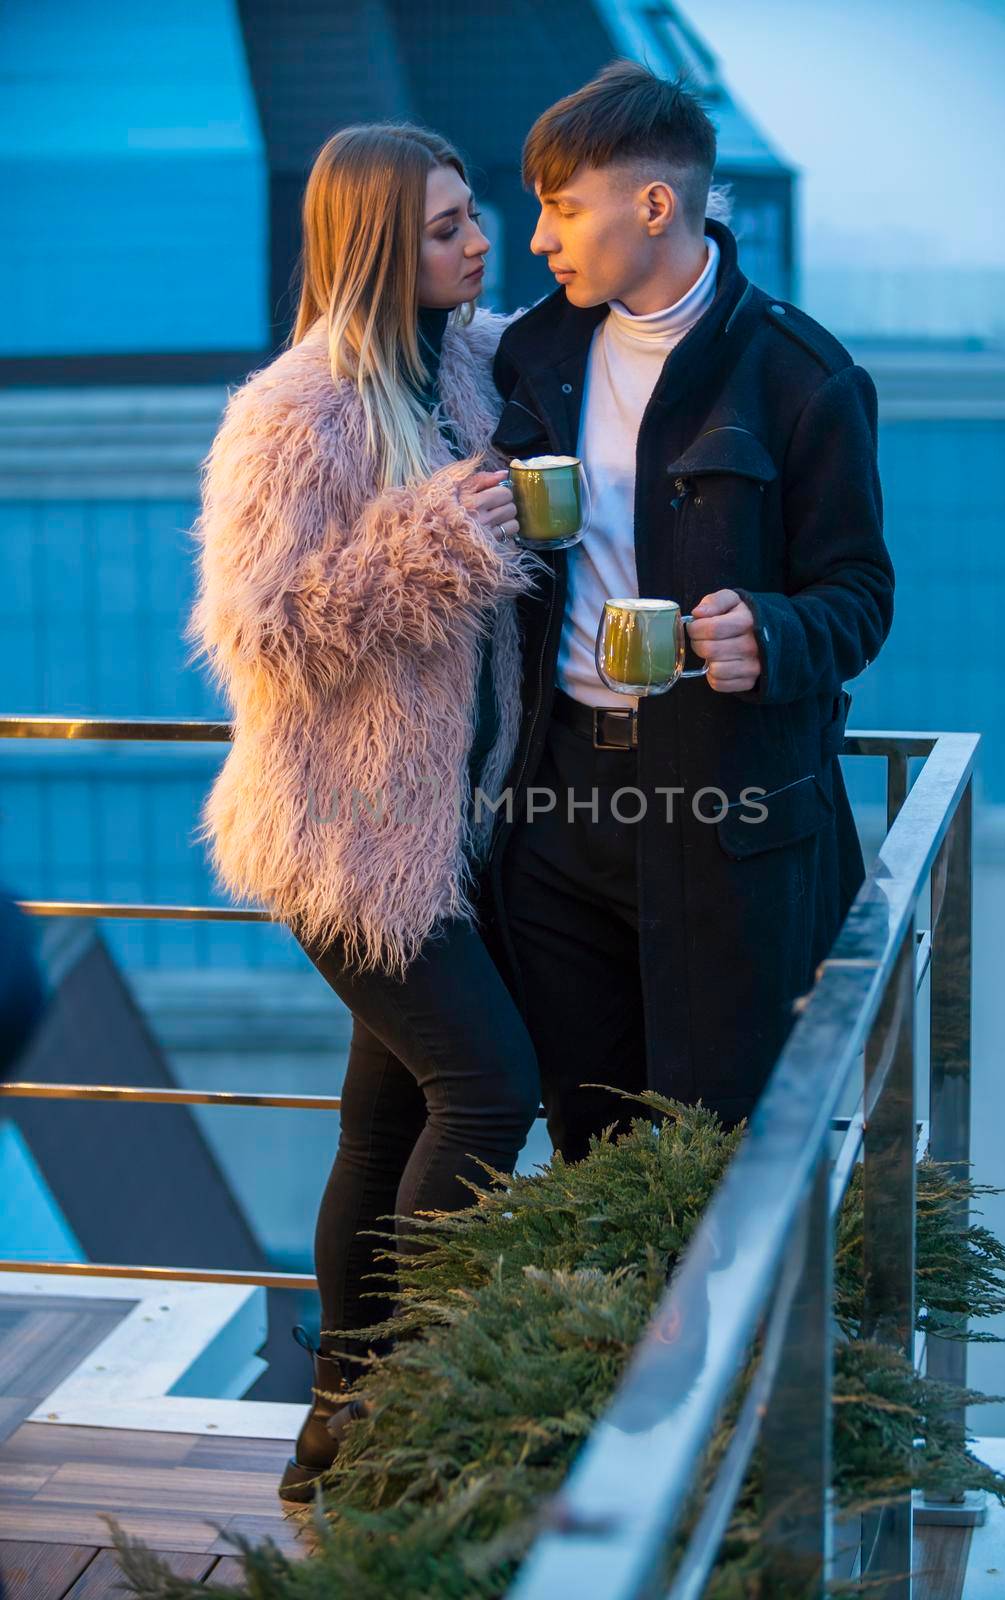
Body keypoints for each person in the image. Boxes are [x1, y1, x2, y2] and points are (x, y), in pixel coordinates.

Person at [185, 123, 546, 1502]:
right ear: (384, 241)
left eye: (477, 217)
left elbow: (590, 320)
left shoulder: (464, 357)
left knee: (384, 1126)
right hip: (339, 839)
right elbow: (258, 629)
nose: (479, 242)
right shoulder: (300, 409)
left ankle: (336, 1432)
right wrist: (447, 538)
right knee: (487, 1084)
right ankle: (409, 1413)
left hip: (440, 833)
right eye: (450, 225)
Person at [484, 61, 895, 1161]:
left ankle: (723, 1340)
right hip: (557, 806)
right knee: (587, 1140)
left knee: (716, 1150)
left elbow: (859, 595)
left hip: (727, 813)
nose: (538, 239)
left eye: (562, 208)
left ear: (653, 205)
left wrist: (768, 633)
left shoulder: (801, 377)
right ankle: (606, 1340)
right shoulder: (531, 356)